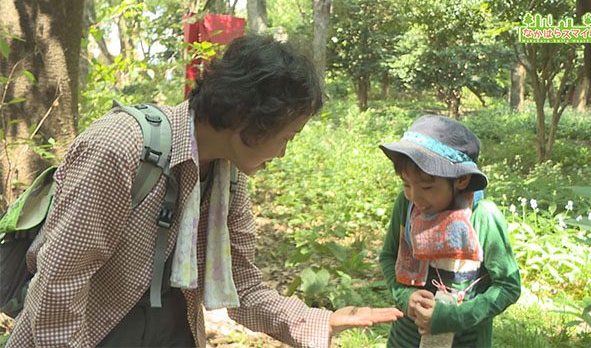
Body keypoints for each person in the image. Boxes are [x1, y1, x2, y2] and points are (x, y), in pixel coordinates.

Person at [7, 35, 402, 348]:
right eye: (286, 137)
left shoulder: (228, 178)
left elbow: (242, 286)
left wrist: (320, 321)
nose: (283, 153)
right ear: (246, 117)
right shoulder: (121, 147)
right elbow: (60, 281)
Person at [378, 115, 521, 347]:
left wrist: (456, 317)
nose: (415, 196)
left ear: (461, 179)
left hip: (466, 341)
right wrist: (404, 297)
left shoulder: (482, 217)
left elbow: (508, 286)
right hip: (405, 338)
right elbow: (388, 256)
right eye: (406, 184)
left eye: (426, 186)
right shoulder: (406, 207)